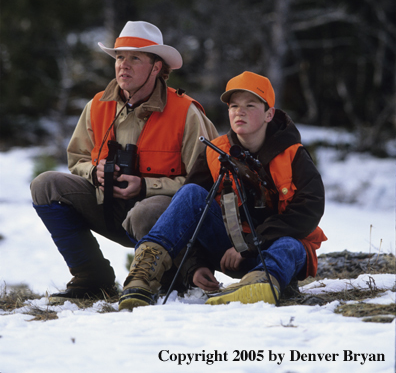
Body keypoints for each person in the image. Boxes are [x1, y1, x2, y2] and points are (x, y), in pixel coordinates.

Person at [31, 21, 218, 299]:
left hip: (164, 222)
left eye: (134, 58)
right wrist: (95, 174)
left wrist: (145, 187)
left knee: (145, 212)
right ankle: (92, 279)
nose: (123, 65)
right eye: (119, 57)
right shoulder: (96, 105)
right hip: (111, 209)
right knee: (45, 184)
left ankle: (172, 279)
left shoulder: (186, 113)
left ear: (156, 67)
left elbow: (204, 185)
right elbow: (78, 158)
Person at [118, 71, 327, 310]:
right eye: (234, 106)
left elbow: (309, 211)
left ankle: (260, 283)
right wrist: (194, 266)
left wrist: (250, 243)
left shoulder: (294, 154)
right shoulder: (215, 151)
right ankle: (141, 279)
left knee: (292, 245)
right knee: (191, 194)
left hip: (272, 250)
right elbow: (187, 213)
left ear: (269, 114)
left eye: (250, 105)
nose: (240, 111)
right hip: (228, 249)